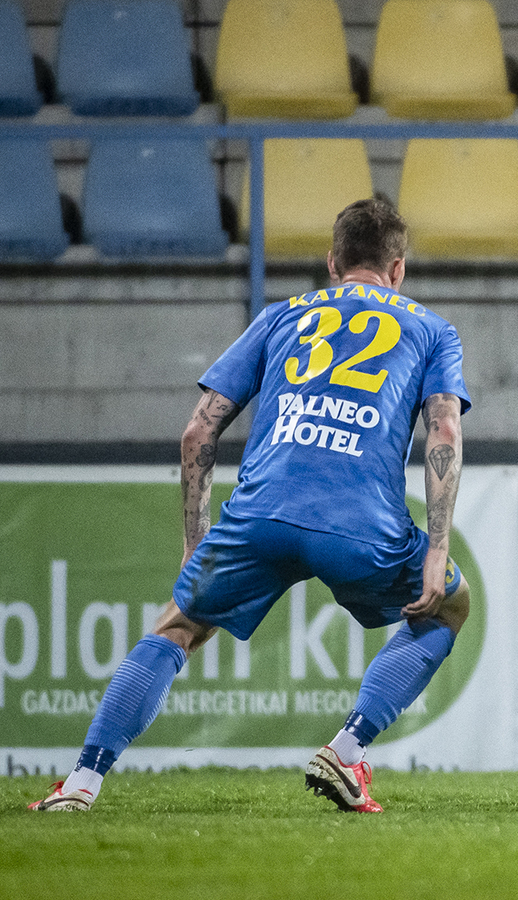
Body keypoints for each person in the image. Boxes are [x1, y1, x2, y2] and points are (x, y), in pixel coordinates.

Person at [30, 198, 472, 813]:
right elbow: (444, 431)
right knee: (450, 604)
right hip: (360, 526)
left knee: (178, 627)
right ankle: (347, 751)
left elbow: (197, 433)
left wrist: (195, 544)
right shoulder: (431, 330)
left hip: (260, 516)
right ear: (398, 270)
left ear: (332, 262)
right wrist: (438, 548)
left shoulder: (280, 316)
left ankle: (82, 782)